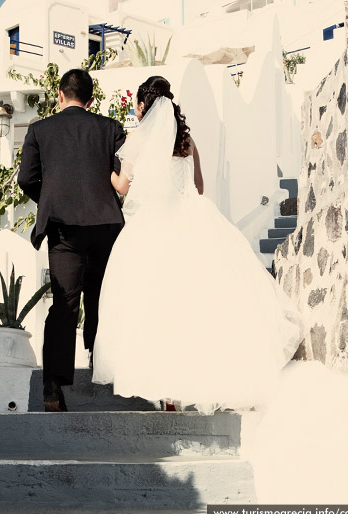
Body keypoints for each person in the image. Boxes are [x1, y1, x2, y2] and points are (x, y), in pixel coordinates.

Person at [92, 76, 302, 411]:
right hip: (194, 218)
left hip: (154, 224)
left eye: (136, 106)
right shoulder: (188, 142)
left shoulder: (139, 141)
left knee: (154, 306)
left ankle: (167, 392)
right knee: (196, 305)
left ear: (144, 106)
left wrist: (102, 168)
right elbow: (199, 186)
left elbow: (123, 187)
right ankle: (197, 384)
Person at [18, 68, 126, 412]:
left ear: (60, 95)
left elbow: (26, 180)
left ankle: (53, 384)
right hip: (106, 224)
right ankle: (101, 363)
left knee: (64, 303)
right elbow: (123, 174)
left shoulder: (39, 130)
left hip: (63, 230)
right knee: (102, 298)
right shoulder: (110, 128)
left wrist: (51, 199)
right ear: (91, 100)